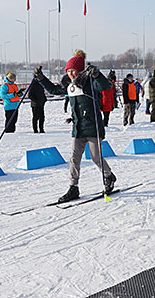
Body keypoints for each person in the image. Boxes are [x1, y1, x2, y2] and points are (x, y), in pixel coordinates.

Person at [33, 50, 117, 203]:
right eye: (69, 71)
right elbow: (53, 90)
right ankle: (73, 187)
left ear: (80, 70)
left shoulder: (89, 81)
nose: (71, 74)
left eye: (74, 71)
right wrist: (41, 79)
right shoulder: (68, 84)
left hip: (93, 126)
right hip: (77, 127)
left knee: (96, 157)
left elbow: (105, 86)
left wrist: (98, 74)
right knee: (74, 159)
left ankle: (108, 176)